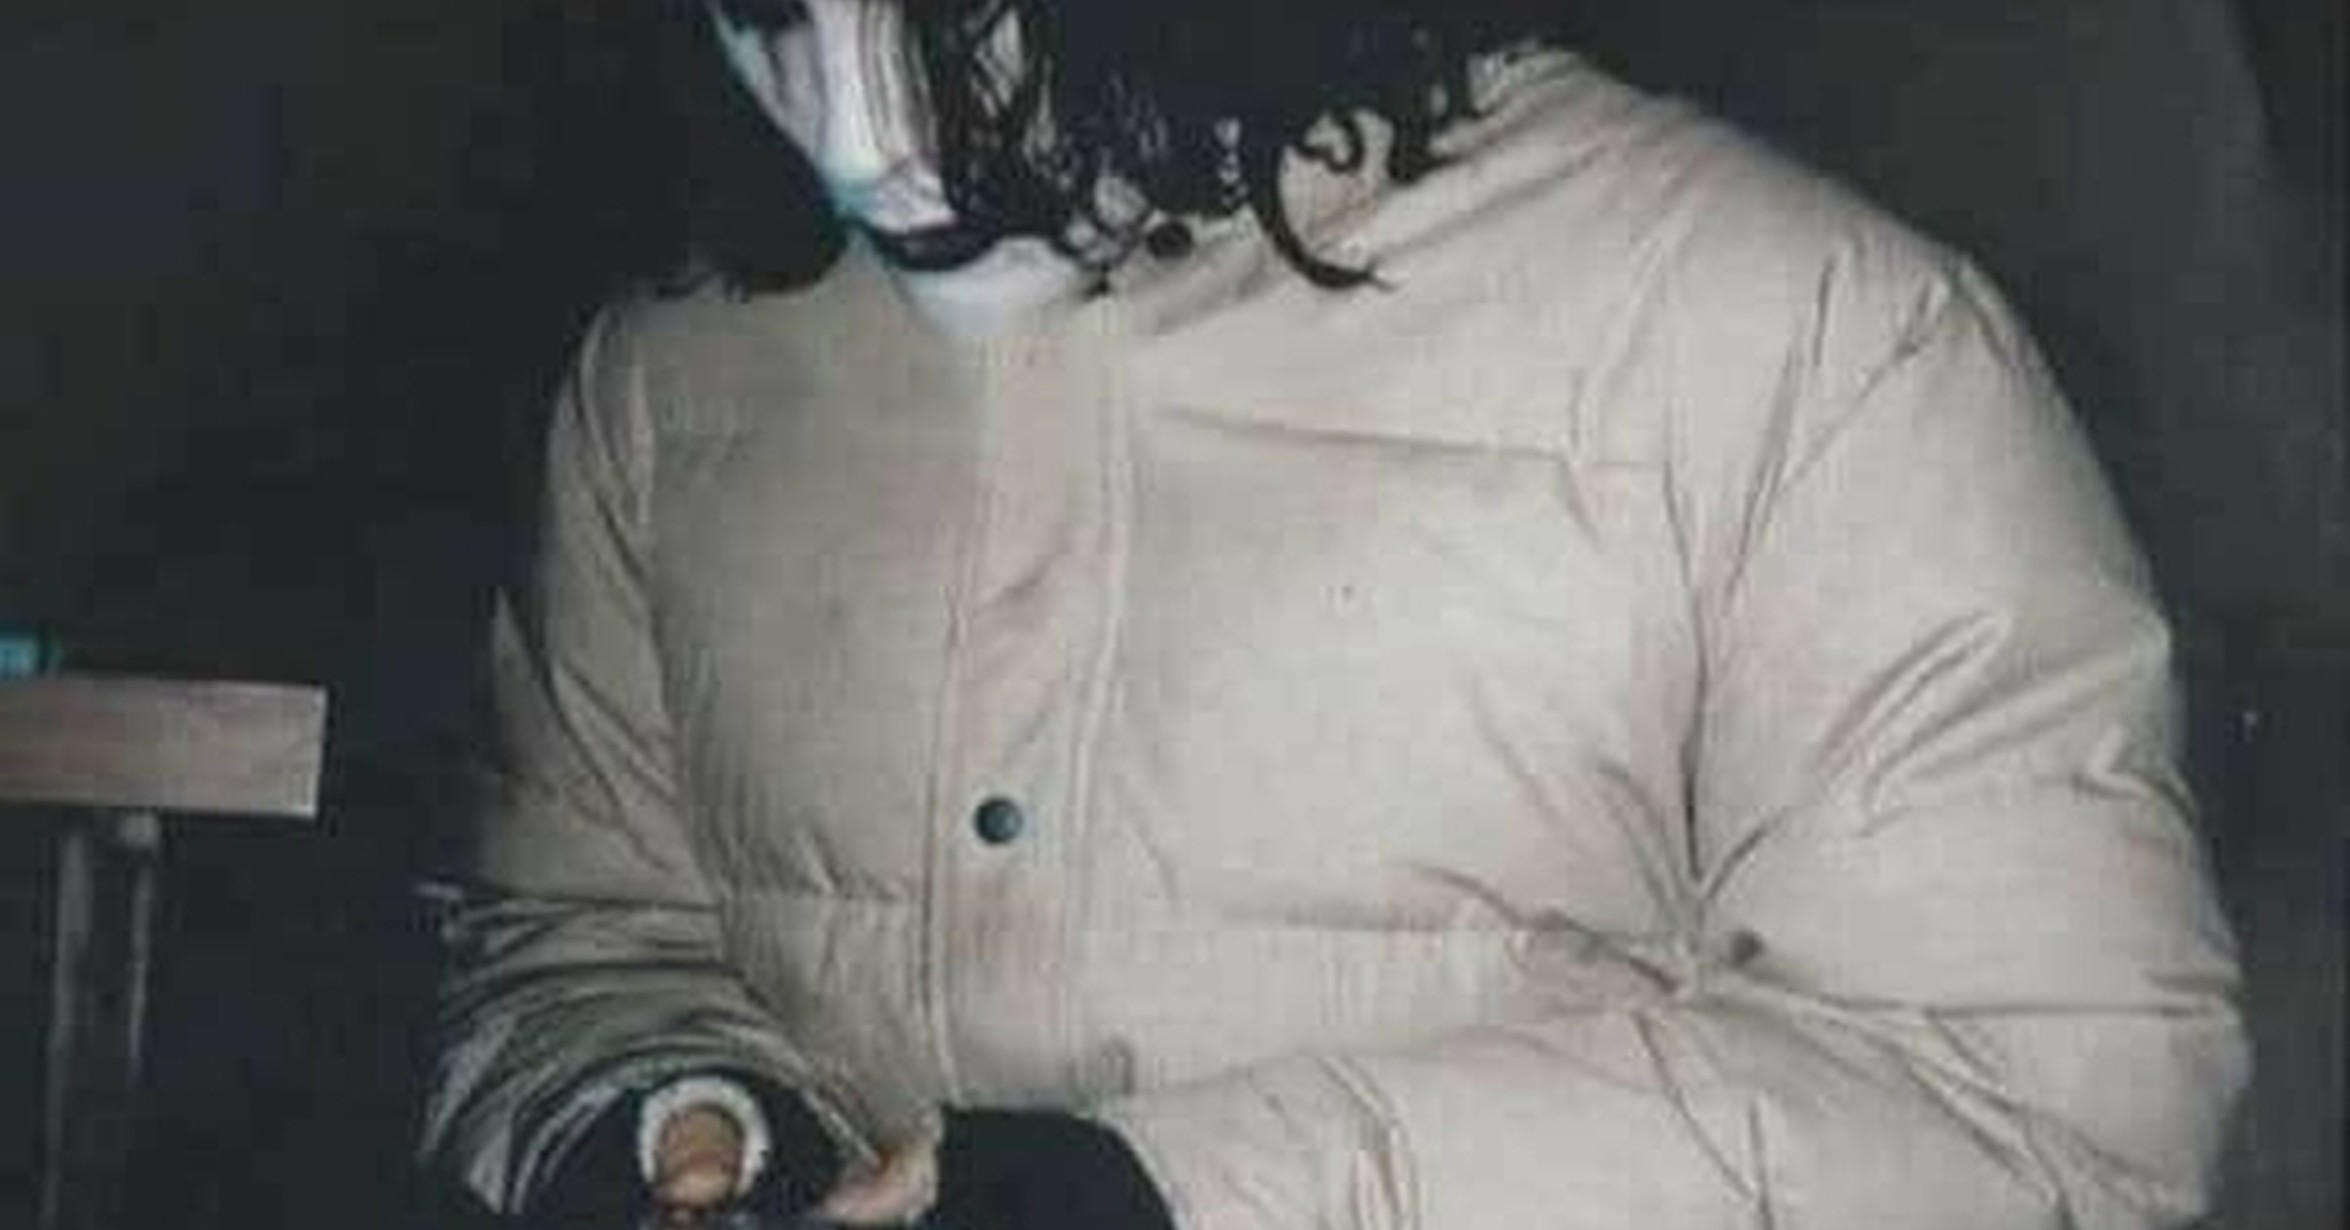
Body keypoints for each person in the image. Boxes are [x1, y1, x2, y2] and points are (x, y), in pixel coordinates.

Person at [421, 1, 2249, 1226]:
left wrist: (1183, 1198)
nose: (846, 107)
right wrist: (671, 1111)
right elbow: (580, 936)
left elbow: (2035, 1112)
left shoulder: (1807, 335)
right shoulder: (669, 377)